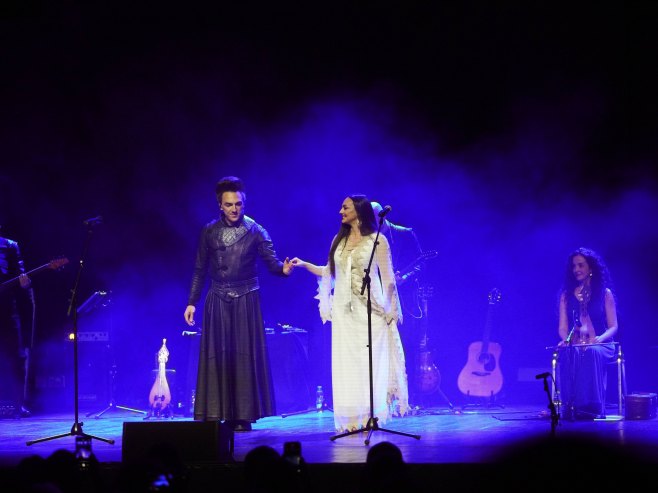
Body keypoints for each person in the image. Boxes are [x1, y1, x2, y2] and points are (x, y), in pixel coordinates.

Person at [183, 176, 295, 431]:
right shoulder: (209, 231)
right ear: (220, 205)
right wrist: (192, 302)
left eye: (239, 204)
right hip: (218, 298)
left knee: (244, 356)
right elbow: (200, 269)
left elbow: (272, 262)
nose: (235, 209)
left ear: (244, 203)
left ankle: (242, 415)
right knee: (217, 356)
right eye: (229, 204)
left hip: (246, 297)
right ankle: (215, 412)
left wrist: (284, 270)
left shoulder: (256, 230)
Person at [291, 195, 409, 433]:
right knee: (348, 365)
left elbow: (388, 280)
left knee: (370, 363)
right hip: (345, 314)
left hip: (371, 313)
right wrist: (304, 265)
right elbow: (330, 273)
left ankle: (370, 416)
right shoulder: (339, 240)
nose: (340, 211)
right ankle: (353, 418)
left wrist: (391, 311)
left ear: (358, 210)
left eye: (345, 207)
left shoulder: (378, 241)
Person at [370, 201, 427, 408]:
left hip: (407, 300)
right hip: (380, 298)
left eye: (370, 217)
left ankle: (411, 400)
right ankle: (386, 398)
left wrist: (405, 277)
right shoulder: (369, 238)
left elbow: (422, 263)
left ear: (380, 216)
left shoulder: (404, 234)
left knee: (408, 347)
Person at [555, 247, 618, 420]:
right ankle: (569, 406)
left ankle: (590, 406)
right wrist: (567, 341)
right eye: (574, 266)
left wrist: (598, 339)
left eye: (581, 265)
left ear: (591, 268)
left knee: (592, 351)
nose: (576, 270)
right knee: (568, 353)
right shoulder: (566, 296)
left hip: (602, 344)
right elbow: (562, 328)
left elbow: (613, 326)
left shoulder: (605, 294)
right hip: (576, 342)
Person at [0, 225, 34, 418]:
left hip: (7, 309)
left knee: (17, 356)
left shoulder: (11, 246)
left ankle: (18, 403)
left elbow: (22, 275)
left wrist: (25, 282)